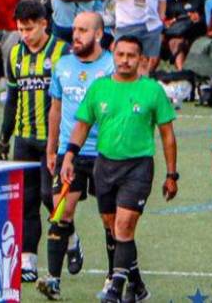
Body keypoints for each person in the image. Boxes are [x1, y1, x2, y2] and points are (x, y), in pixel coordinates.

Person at [61, 34, 178, 303]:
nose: (125, 60)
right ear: (113, 56)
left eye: (131, 56)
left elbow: (167, 135)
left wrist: (172, 174)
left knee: (124, 227)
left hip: (138, 167)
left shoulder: (152, 90)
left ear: (142, 60)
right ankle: (137, 286)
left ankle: (115, 287)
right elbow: (82, 124)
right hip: (105, 165)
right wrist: (69, 156)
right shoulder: (99, 88)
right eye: (120, 55)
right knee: (112, 227)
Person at [40, 11, 116, 300]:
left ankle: (112, 277)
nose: (76, 35)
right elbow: (56, 109)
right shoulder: (63, 65)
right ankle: (54, 280)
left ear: (98, 34)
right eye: (75, 29)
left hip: (105, 153)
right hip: (69, 153)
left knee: (110, 219)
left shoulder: (111, 65)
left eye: (83, 30)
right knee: (60, 213)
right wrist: (52, 148)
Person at [0, 0, 69, 284]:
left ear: (44, 24)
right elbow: (12, 98)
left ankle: (70, 234)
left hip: (53, 139)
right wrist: (5, 136)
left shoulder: (62, 52)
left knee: (48, 196)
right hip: (25, 140)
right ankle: (28, 260)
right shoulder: (15, 54)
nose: (24, 35)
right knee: (25, 201)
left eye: (29, 29)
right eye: (20, 29)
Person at [161, 0, 207, 70]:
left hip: (196, 30)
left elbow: (211, 14)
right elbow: (163, 18)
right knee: (168, 41)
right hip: (176, 31)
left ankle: (183, 71)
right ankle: (179, 71)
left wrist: (199, 17)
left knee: (177, 42)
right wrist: (167, 23)